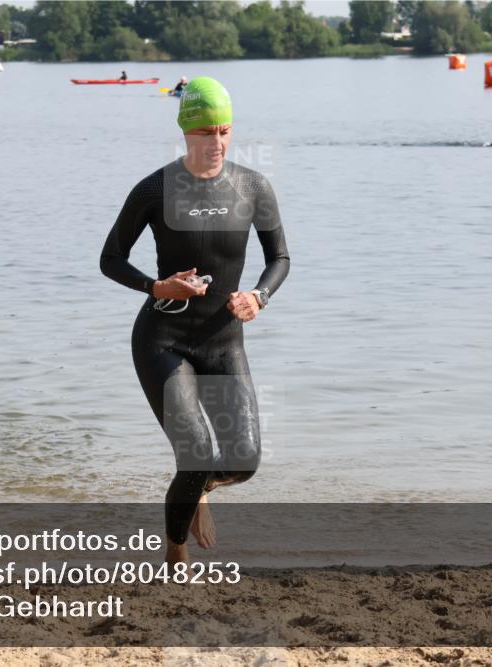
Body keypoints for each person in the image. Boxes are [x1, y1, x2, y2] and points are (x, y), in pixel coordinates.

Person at [100, 76, 290, 567]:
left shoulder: (253, 186)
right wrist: (156, 286)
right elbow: (111, 258)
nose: (217, 142)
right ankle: (175, 552)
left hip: (223, 341)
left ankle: (197, 489)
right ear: (186, 132)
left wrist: (259, 297)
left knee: (244, 461)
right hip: (163, 340)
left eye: (225, 131)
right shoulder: (156, 187)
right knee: (197, 454)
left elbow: (280, 259)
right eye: (207, 132)